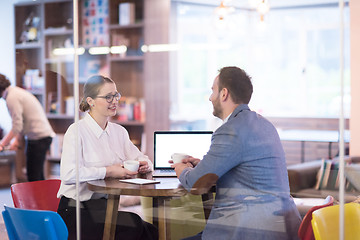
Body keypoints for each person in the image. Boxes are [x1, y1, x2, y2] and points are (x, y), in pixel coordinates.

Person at [172, 66, 301, 240]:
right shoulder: (264, 125)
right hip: (281, 229)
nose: (210, 98)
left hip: (248, 231)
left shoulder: (230, 131)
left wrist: (182, 170)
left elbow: (196, 185)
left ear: (224, 94)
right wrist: (202, 164)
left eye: (213, 91)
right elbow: (246, 169)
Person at [57, 75, 158, 240]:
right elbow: (69, 174)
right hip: (76, 211)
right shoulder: (76, 131)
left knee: (151, 230)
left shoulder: (119, 132)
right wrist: (108, 171)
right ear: (91, 101)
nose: (114, 101)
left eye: (116, 95)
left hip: (105, 209)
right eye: (108, 97)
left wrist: (145, 164)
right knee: (134, 224)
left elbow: (142, 158)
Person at [0, 73, 55, 181]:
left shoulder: (12, 97)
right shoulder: (15, 92)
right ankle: (41, 198)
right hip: (40, 136)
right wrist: (16, 140)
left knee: (33, 177)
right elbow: (22, 122)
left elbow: (17, 125)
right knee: (37, 176)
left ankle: (38, 198)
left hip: (38, 138)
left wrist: (2, 144)